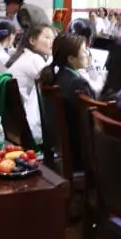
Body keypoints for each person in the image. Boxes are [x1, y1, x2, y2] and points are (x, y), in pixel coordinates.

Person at [39, 33, 100, 162]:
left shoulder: (56, 77)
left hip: (62, 147)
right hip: (80, 153)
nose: (88, 54)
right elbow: (93, 120)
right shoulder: (77, 84)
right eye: (84, 51)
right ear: (71, 58)